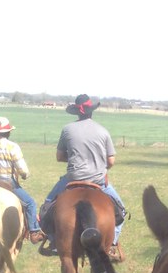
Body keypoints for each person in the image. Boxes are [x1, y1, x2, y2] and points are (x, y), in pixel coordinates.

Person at [38, 94, 127, 245]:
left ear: (77, 112)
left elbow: (59, 157)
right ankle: (112, 244)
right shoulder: (103, 131)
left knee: (46, 208)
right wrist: (97, 162)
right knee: (121, 211)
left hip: (72, 179)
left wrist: (74, 158)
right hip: (98, 180)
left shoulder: (67, 129)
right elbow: (111, 161)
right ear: (91, 111)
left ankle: (53, 242)